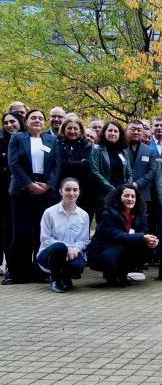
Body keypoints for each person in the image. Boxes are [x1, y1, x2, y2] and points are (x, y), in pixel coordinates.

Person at [4, 109, 61, 285]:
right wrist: (29, 184)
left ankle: (39, 271)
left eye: (40, 118)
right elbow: (13, 163)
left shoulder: (52, 139)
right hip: (22, 191)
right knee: (21, 233)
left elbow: (57, 165)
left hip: (45, 191)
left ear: (44, 122)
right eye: (33, 118)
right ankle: (17, 273)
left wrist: (48, 185)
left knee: (42, 233)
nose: (37, 120)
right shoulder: (17, 138)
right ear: (26, 121)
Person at [86, 185, 158, 287]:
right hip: (104, 249)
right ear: (119, 197)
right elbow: (116, 235)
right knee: (116, 250)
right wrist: (142, 237)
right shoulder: (108, 213)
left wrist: (150, 242)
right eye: (126, 196)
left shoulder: (140, 214)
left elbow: (143, 232)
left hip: (124, 246)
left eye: (133, 196)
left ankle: (123, 273)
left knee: (146, 249)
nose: (130, 199)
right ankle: (110, 274)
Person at [36, 178, 89, 293]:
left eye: (75, 190)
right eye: (68, 189)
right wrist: (67, 247)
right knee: (59, 247)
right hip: (49, 254)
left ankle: (65, 277)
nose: (72, 193)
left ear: (79, 192)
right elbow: (45, 238)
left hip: (72, 253)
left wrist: (74, 249)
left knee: (78, 267)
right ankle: (55, 279)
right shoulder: (49, 213)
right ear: (60, 191)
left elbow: (83, 240)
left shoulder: (84, 215)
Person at [90, 121, 133, 215]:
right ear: (104, 132)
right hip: (105, 195)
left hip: (122, 195)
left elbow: (129, 173)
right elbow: (95, 172)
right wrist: (113, 190)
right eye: (110, 130)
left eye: (115, 131)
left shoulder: (123, 152)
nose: (113, 133)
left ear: (120, 134)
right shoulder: (97, 150)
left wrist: (127, 189)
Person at [124, 120, 159, 233]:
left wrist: (137, 184)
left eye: (139, 130)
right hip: (122, 194)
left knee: (141, 227)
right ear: (127, 130)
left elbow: (152, 171)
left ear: (143, 132)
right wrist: (128, 185)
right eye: (133, 129)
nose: (136, 132)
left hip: (143, 195)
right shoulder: (120, 148)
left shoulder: (150, 151)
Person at [1, 112, 24, 276]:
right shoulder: (1, 142)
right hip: (3, 193)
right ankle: (11, 266)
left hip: (23, 191)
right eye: (6, 122)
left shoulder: (28, 140)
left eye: (12, 121)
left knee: (21, 230)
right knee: (7, 230)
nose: (9, 125)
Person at [54, 117, 93, 215]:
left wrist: (66, 163)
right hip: (60, 188)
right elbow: (58, 163)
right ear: (64, 129)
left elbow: (87, 165)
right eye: (69, 128)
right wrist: (79, 163)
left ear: (80, 131)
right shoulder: (56, 144)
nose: (72, 131)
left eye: (75, 128)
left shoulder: (87, 146)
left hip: (82, 189)